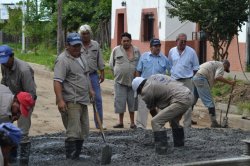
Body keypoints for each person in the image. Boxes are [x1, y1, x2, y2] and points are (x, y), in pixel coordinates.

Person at [54, 32, 94, 160]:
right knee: (73, 131)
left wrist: (91, 89)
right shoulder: (62, 60)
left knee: (83, 130)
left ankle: (76, 156)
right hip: (71, 100)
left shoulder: (81, 56)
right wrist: (60, 100)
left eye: (78, 45)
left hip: (83, 99)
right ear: (67, 46)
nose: (77, 48)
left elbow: (86, 75)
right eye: (74, 46)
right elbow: (57, 81)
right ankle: (70, 160)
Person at [132, 74, 193, 154]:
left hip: (180, 100)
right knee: (173, 120)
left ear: (140, 87)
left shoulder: (146, 91)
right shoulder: (154, 76)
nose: (140, 94)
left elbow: (153, 111)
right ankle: (179, 144)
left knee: (155, 122)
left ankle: (162, 149)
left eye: (138, 92)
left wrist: (159, 126)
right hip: (189, 94)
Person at [0, 44, 37, 165]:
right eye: (2, 62)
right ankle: (9, 159)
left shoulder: (24, 70)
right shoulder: (4, 64)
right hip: (11, 100)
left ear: (12, 56)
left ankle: (23, 161)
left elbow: (31, 94)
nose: (4, 64)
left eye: (5, 61)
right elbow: (4, 82)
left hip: (25, 101)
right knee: (5, 131)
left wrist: (21, 109)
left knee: (22, 132)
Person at [135, 38, 170, 129]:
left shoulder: (164, 59)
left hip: (159, 89)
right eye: (155, 46)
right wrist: (139, 84)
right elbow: (138, 70)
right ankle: (140, 127)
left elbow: (170, 73)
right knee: (143, 107)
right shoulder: (144, 56)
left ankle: (158, 127)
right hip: (145, 87)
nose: (157, 48)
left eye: (159, 46)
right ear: (150, 47)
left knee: (158, 109)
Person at [109, 32, 140, 129]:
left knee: (132, 103)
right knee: (120, 102)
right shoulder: (116, 50)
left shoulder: (136, 51)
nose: (126, 43)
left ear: (131, 41)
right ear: (121, 41)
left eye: (127, 41)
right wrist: (117, 74)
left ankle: (132, 123)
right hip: (120, 82)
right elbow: (111, 64)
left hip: (133, 82)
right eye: (124, 41)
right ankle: (120, 122)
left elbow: (140, 64)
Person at [168, 33, 199, 128]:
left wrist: (191, 79)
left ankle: (187, 125)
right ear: (176, 41)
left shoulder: (192, 52)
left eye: (185, 41)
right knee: (174, 103)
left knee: (188, 103)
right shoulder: (171, 51)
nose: (183, 43)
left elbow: (196, 67)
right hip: (174, 81)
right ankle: (174, 124)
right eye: (181, 41)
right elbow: (169, 65)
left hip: (187, 81)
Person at [192, 60, 236, 127]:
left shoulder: (213, 63)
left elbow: (198, 69)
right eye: (225, 70)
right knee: (210, 102)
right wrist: (230, 82)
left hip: (195, 77)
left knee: (193, 100)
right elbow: (218, 77)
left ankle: (187, 118)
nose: (223, 71)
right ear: (226, 65)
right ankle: (214, 123)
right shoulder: (221, 65)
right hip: (201, 78)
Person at [78, 24, 106, 130]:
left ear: (90, 34)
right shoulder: (77, 45)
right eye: (83, 34)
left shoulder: (95, 45)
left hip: (93, 75)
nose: (85, 36)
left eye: (87, 34)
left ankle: (99, 123)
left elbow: (100, 59)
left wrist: (102, 72)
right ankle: (80, 124)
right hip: (80, 76)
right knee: (81, 99)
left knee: (97, 99)